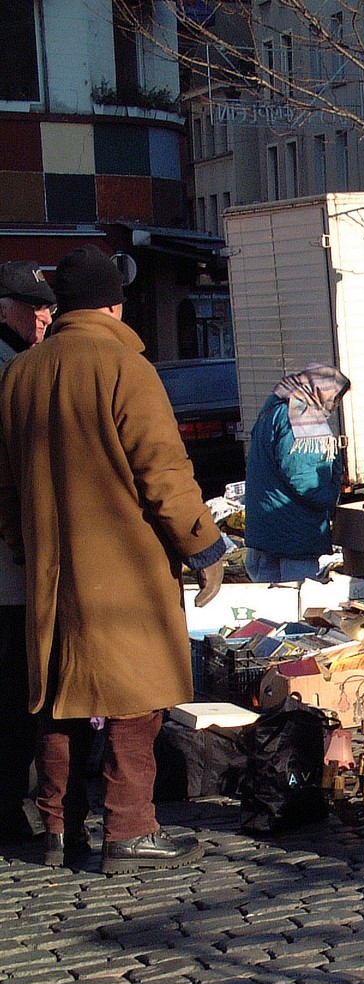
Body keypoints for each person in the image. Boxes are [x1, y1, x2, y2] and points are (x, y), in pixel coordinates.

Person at [0, 244, 225, 873]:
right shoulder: (124, 366)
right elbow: (163, 471)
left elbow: (4, 489)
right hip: (125, 566)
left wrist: (28, 547)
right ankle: (129, 831)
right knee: (136, 700)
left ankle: (56, 829)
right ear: (114, 303)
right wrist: (203, 544)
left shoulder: (21, 372)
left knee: (58, 699)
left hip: (51, 570)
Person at [0, 260, 56, 847]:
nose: (43, 314)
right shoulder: (15, 370)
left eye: (46, 305)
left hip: (14, 549)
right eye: (30, 305)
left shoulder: (22, 364)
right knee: (13, 685)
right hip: (9, 558)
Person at [244, 364, 351, 583]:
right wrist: (330, 498)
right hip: (293, 527)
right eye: (335, 397)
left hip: (269, 519)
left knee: (270, 599)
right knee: (298, 597)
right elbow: (303, 478)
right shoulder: (301, 419)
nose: (335, 405)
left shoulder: (273, 410)